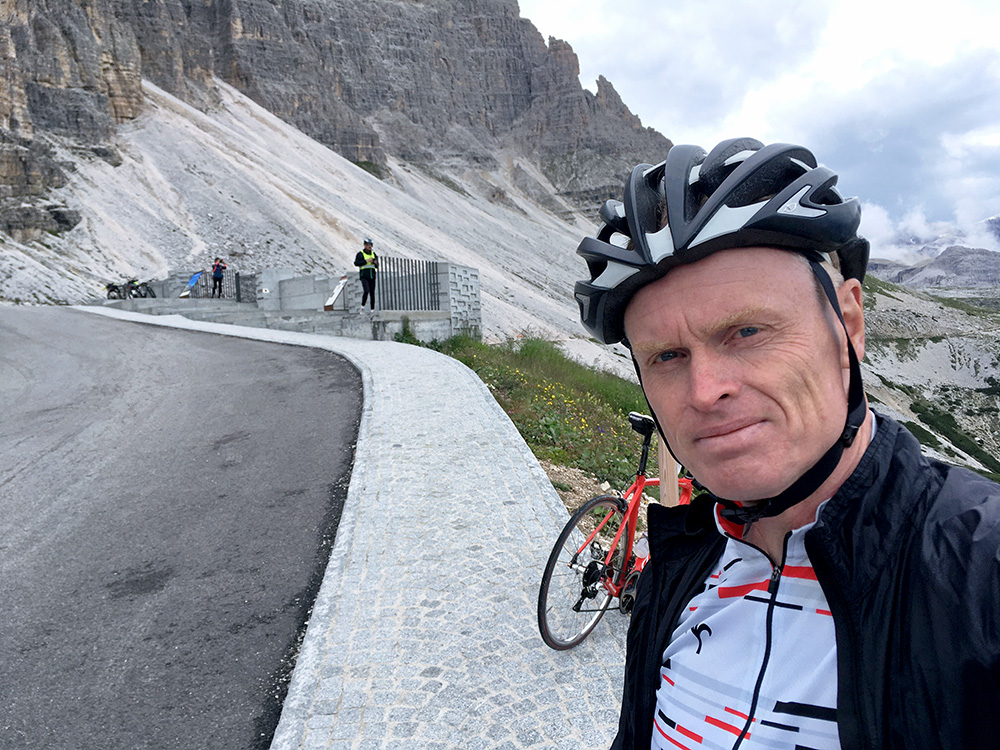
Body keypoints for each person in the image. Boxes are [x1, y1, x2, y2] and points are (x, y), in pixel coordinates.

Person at [573, 138, 1000, 749]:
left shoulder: (981, 575)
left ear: (849, 325)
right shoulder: (682, 563)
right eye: (666, 356)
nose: (704, 390)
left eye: (747, 331)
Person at [354, 238, 379, 312]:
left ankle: (372, 309)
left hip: (372, 275)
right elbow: (356, 263)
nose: (369, 246)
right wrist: (366, 261)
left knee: (372, 292)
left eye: (371, 245)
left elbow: (377, 265)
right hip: (364, 275)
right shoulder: (360, 254)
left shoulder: (373, 254)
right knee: (366, 290)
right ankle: (362, 306)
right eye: (368, 245)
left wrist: (374, 262)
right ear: (365, 245)